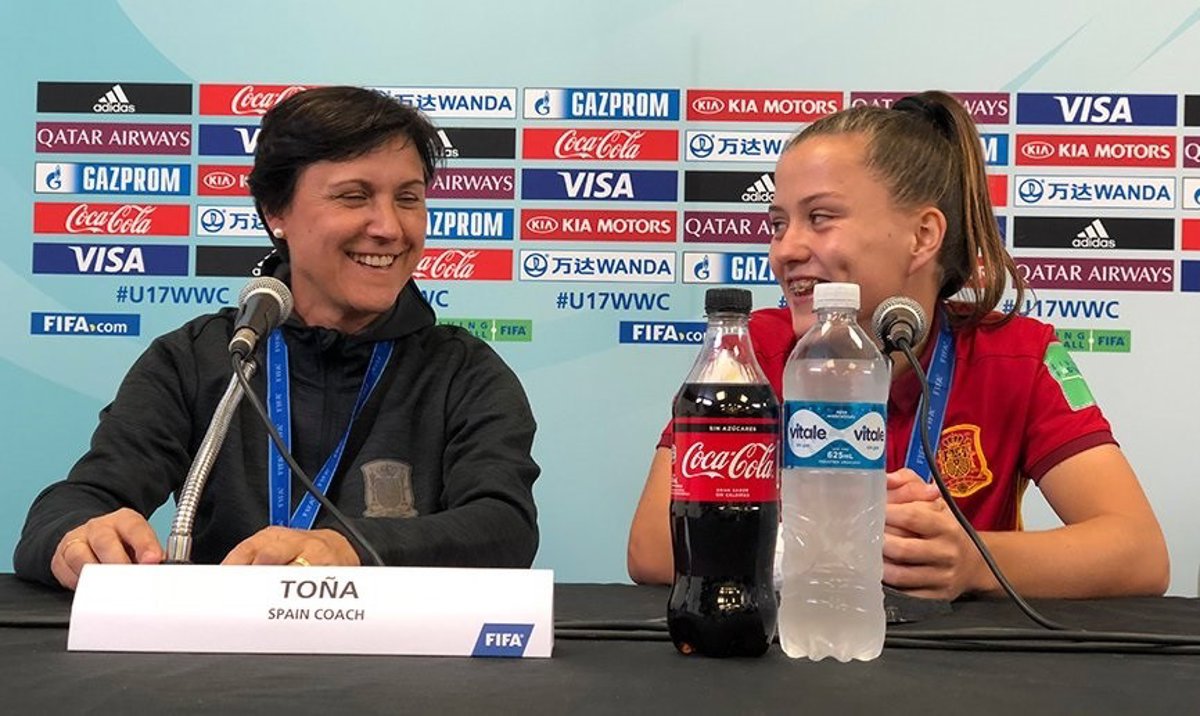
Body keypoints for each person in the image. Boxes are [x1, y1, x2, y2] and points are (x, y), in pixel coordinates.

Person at [628, 91, 1169, 600]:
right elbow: (652, 548)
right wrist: (821, 534)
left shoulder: (1018, 356)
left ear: (923, 236)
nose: (786, 249)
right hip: (802, 646)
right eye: (778, 223)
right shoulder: (749, 352)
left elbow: (1140, 553)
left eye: (820, 218)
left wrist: (974, 561)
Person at [14, 86, 540, 590]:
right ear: (276, 212)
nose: (389, 227)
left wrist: (347, 549)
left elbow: (504, 527)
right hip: (215, 649)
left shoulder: (463, 371)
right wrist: (79, 538)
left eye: (408, 198)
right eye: (354, 196)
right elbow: (77, 503)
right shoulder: (199, 358)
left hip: (400, 650)